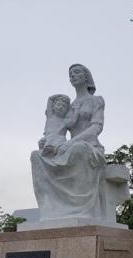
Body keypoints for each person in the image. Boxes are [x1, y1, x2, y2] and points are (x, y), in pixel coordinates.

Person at [30, 64, 107, 220]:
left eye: (76, 72)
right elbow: (59, 128)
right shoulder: (68, 105)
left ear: (87, 77)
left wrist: (72, 142)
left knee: (78, 149)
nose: (72, 75)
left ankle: (81, 210)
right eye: (70, 73)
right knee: (36, 156)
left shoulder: (96, 100)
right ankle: (51, 210)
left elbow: (96, 127)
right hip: (66, 147)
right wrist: (47, 141)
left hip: (90, 147)